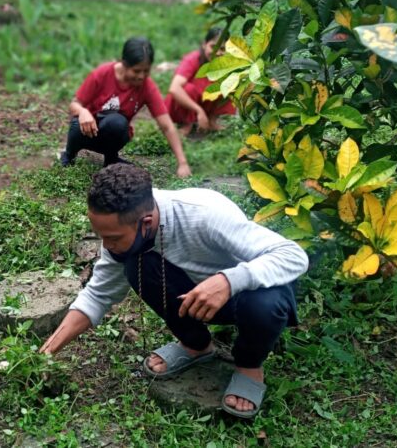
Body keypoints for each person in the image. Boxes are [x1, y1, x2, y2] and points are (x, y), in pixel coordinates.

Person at [40, 164, 308, 418]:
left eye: (112, 238)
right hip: (194, 296)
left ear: (146, 222)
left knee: (265, 302)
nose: (106, 246)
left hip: (245, 297)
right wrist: (47, 352)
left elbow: (293, 255)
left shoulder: (203, 214)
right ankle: (196, 346)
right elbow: (98, 295)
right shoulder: (123, 233)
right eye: (102, 236)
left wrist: (229, 280)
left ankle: (249, 366)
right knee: (136, 263)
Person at [59, 37, 191, 178]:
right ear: (124, 64)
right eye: (136, 71)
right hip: (87, 131)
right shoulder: (102, 74)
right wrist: (83, 111)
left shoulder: (147, 87)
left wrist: (182, 163)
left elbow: (167, 126)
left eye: (146, 71)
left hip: (112, 133)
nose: (141, 76)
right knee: (77, 122)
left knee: (117, 122)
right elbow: (74, 104)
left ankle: (111, 159)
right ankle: (69, 155)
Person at [165, 28, 236, 136]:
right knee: (188, 89)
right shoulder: (192, 59)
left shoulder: (226, 64)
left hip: (204, 105)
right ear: (204, 45)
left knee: (230, 84)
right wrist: (199, 110)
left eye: (222, 49)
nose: (217, 53)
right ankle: (186, 124)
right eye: (213, 46)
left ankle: (211, 120)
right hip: (179, 109)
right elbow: (174, 89)